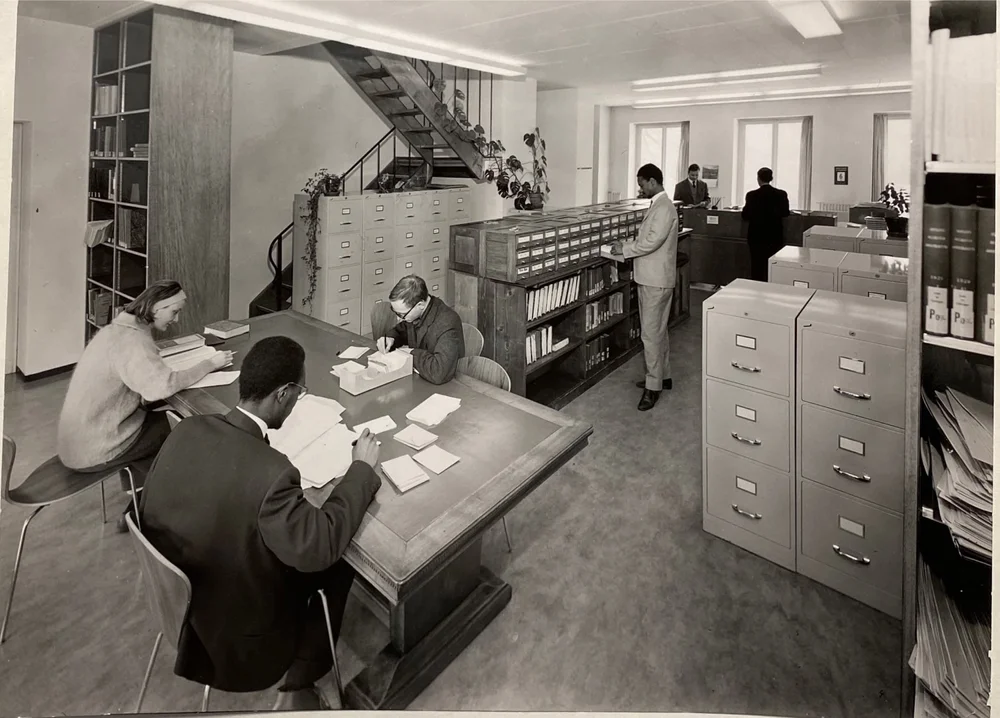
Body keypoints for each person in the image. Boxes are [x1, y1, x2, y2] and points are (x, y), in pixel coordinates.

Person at [138, 336, 382, 711]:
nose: (298, 401)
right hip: (236, 644)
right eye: (300, 393)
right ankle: (301, 681)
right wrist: (361, 469)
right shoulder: (274, 471)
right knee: (338, 560)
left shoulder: (187, 429)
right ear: (283, 394)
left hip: (175, 605)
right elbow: (321, 544)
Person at [56, 279, 232, 531]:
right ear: (156, 308)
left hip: (82, 439)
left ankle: (141, 504)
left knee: (165, 424)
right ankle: (151, 509)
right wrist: (210, 364)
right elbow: (160, 388)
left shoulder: (117, 330)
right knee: (188, 430)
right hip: (97, 446)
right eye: (175, 311)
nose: (177, 319)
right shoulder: (133, 342)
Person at [611, 163, 679, 412]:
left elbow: (651, 242)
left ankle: (653, 388)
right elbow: (648, 239)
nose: (640, 189)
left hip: (654, 280)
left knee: (650, 334)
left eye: (642, 184)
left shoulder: (663, 207)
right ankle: (664, 376)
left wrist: (625, 250)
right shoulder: (661, 206)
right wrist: (627, 243)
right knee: (659, 331)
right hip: (655, 277)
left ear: (652, 181)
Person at [375, 274, 465, 385]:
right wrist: (390, 338)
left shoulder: (447, 323)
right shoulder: (417, 312)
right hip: (422, 380)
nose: (399, 319)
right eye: (396, 313)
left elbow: (439, 372)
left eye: (402, 314)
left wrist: (411, 353)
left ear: (420, 305)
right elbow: (401, 330)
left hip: (447, 387)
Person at [741, 166, 790, 281]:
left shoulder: (751, 195)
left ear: (758, 179)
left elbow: (745, 215)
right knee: (773, 266)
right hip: (775, 236)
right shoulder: (781, 194)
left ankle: (757, 290)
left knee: (757, 266)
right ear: (771, 178)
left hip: (756, 237)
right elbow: (785, 213)